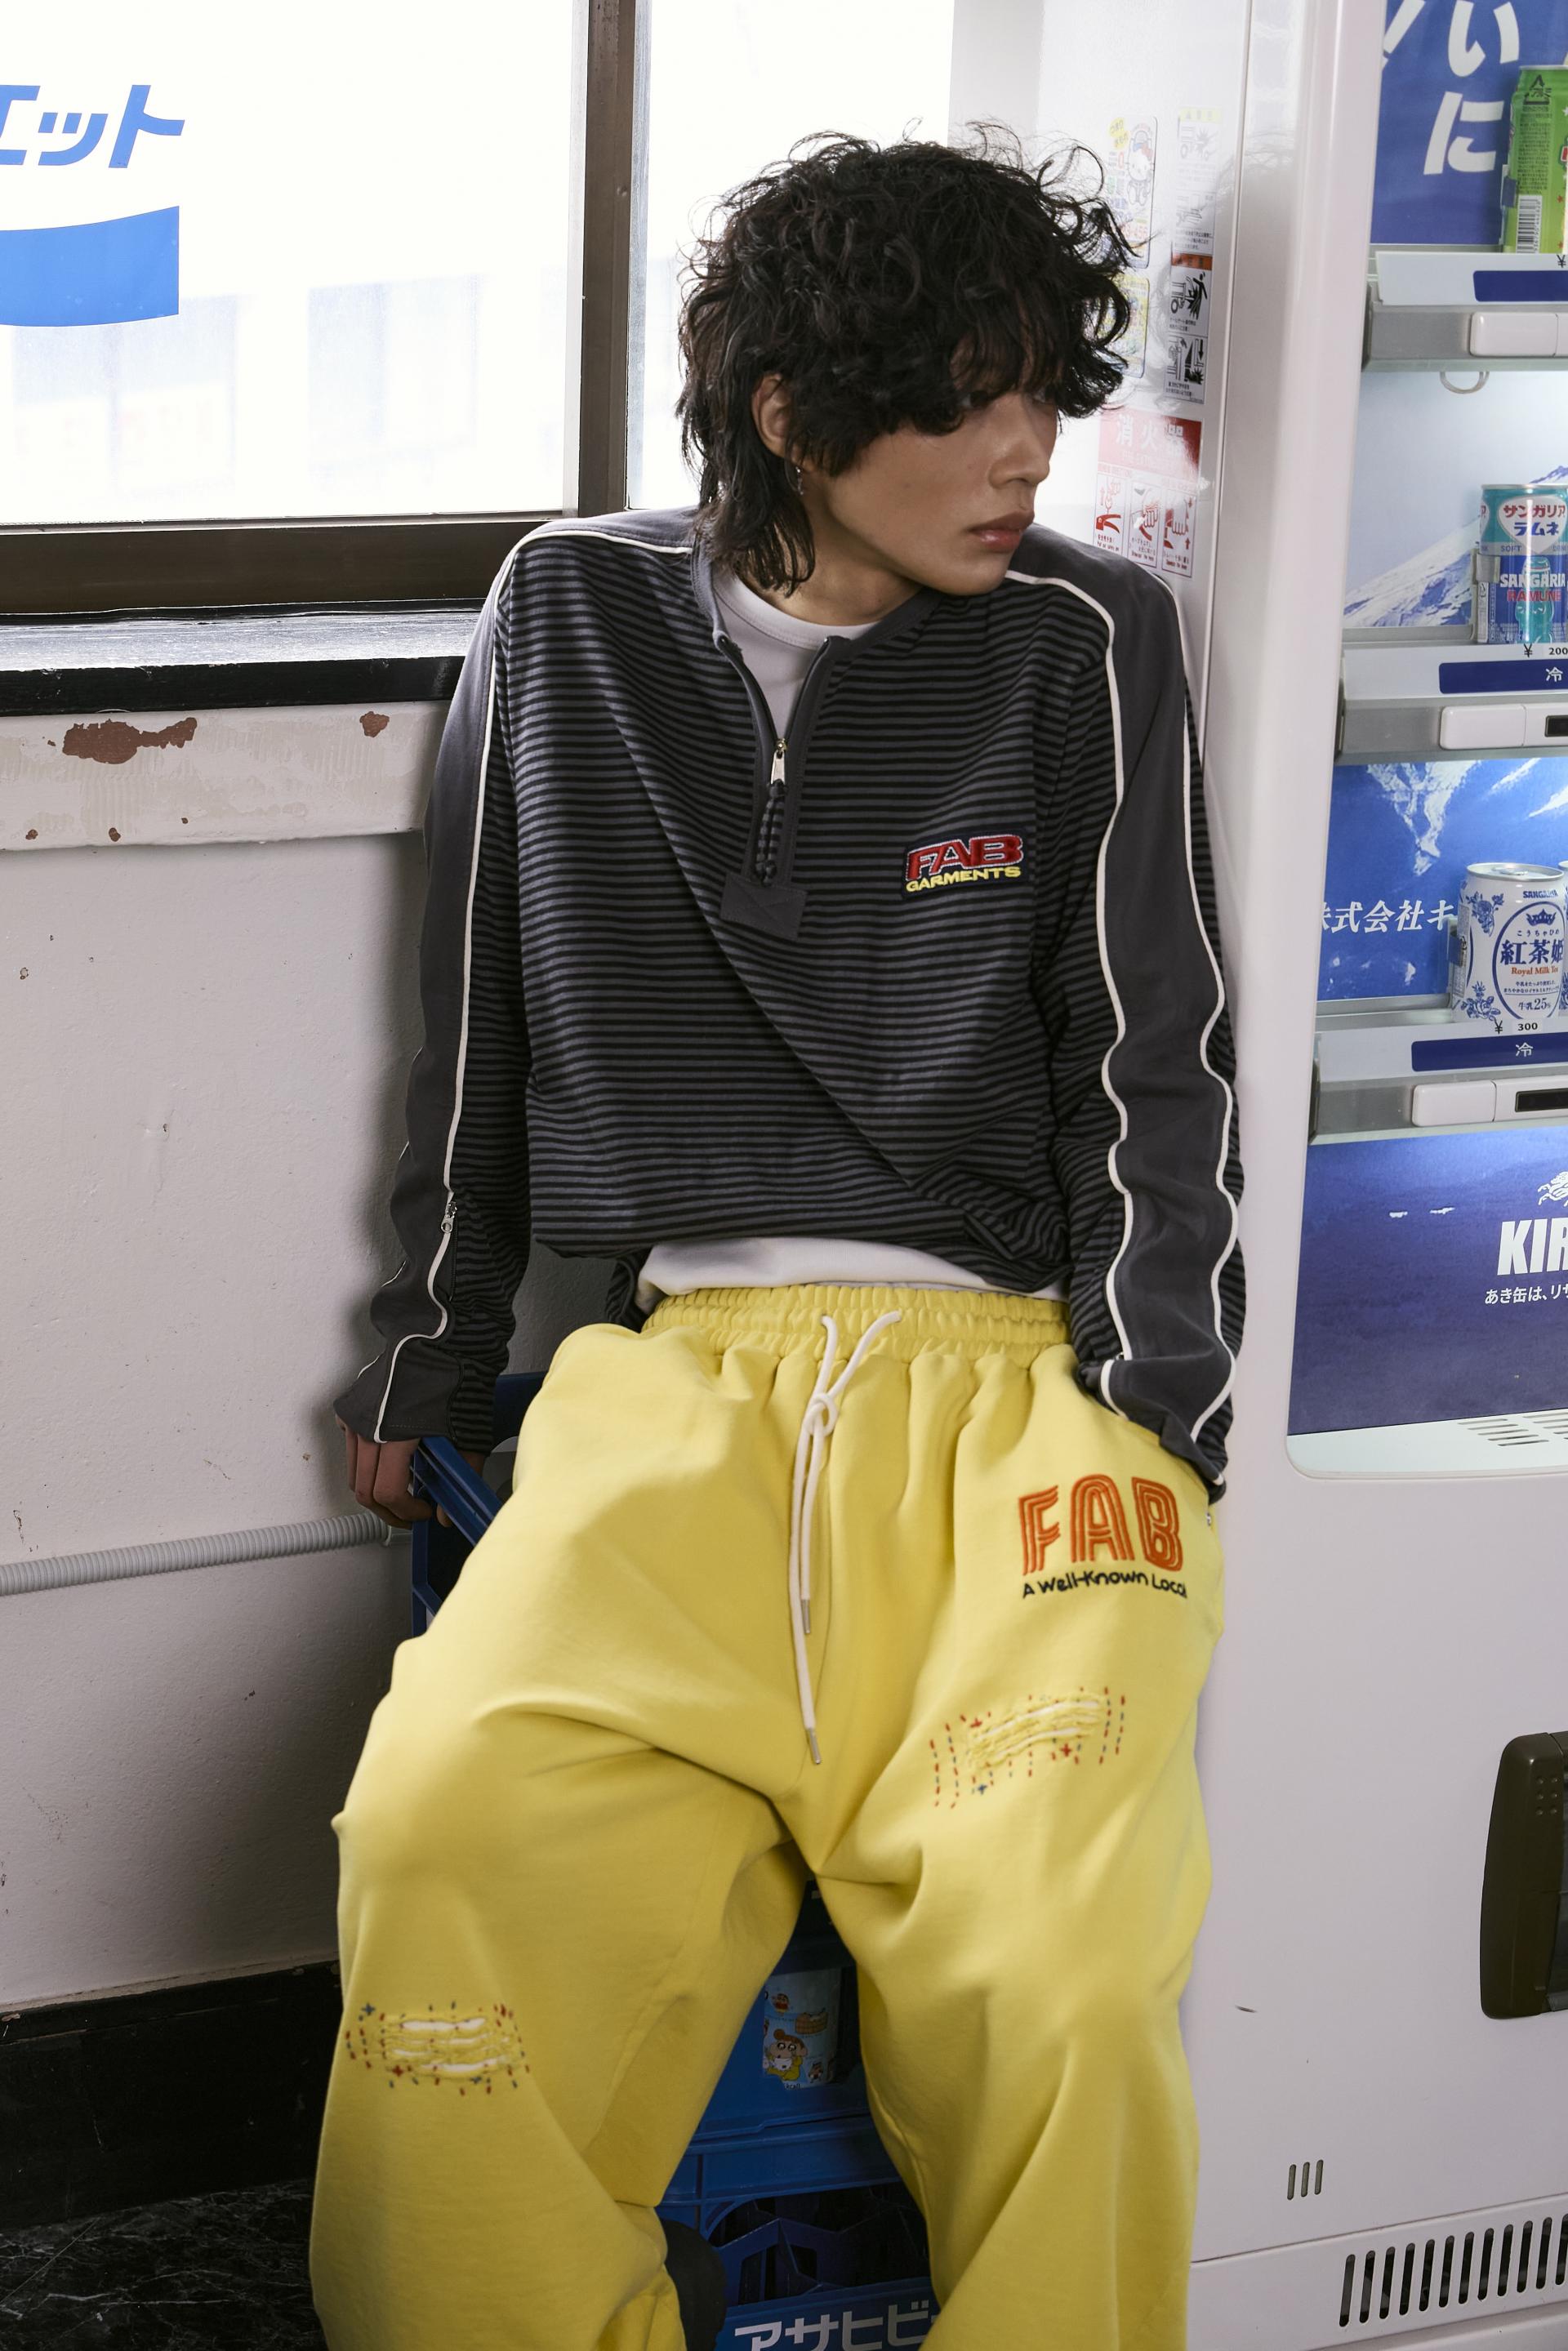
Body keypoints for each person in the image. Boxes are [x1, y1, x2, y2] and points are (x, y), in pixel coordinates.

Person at [312, 127, 1245, 2351]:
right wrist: (432, 1355)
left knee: (1063, 1981)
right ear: (795, 416)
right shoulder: (567, 618)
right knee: (441, 1847)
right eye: (972, 399)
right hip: (676, 1395)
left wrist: (1156, 1422)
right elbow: (480, 1024)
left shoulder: (1087, 639)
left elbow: (1153, 1056)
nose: (1030, 453)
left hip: (1020, 1394)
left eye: (1047, 395)